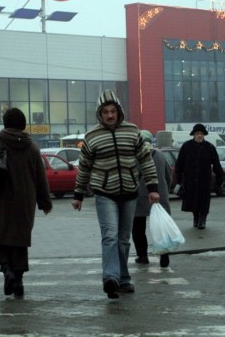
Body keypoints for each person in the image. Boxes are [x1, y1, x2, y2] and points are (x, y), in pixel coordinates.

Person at [72, 90, 160, 299]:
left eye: (113, 111)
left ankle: (124, 278)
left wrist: (153, 188)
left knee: (123, 239)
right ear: (99, 114)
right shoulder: (92, 137)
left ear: (118, 111)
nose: (110, 115)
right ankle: (110, 278)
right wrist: (78, 194)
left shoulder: (132, 131)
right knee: (110, 236)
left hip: (129, 192)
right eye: (105, 112)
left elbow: (145, 159)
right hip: (105, 193)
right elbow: (84, 167)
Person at [0, 108, 52, 298]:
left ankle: (7, 270)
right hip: (23, 202)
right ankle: (19, 280)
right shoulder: (31, 147)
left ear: (5, 123)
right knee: (19, 242)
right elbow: (40, 177)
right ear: (23, 124)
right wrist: (45, 202)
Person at [132, 130, 173, 268]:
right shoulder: (161, 156)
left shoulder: (134, 157)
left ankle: (142, 256)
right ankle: (164, 257)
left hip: (139, 196)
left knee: (138, 228)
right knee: (162, 227)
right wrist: (165, 188)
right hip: (159, 195)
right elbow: (169, 176)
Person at [175, 123, 224, 230]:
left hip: (204, 180)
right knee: (193, 201)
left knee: (204, 201)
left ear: (204, 135)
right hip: (190, 180)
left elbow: (216, 164)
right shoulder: (186, 146)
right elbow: (179, 164)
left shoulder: (209, 147)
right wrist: (179, 179)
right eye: (197, 133)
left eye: (201, 133)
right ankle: (196, 217)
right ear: (193, 135)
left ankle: (203, 220)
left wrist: (220, 178)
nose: (199, 135)